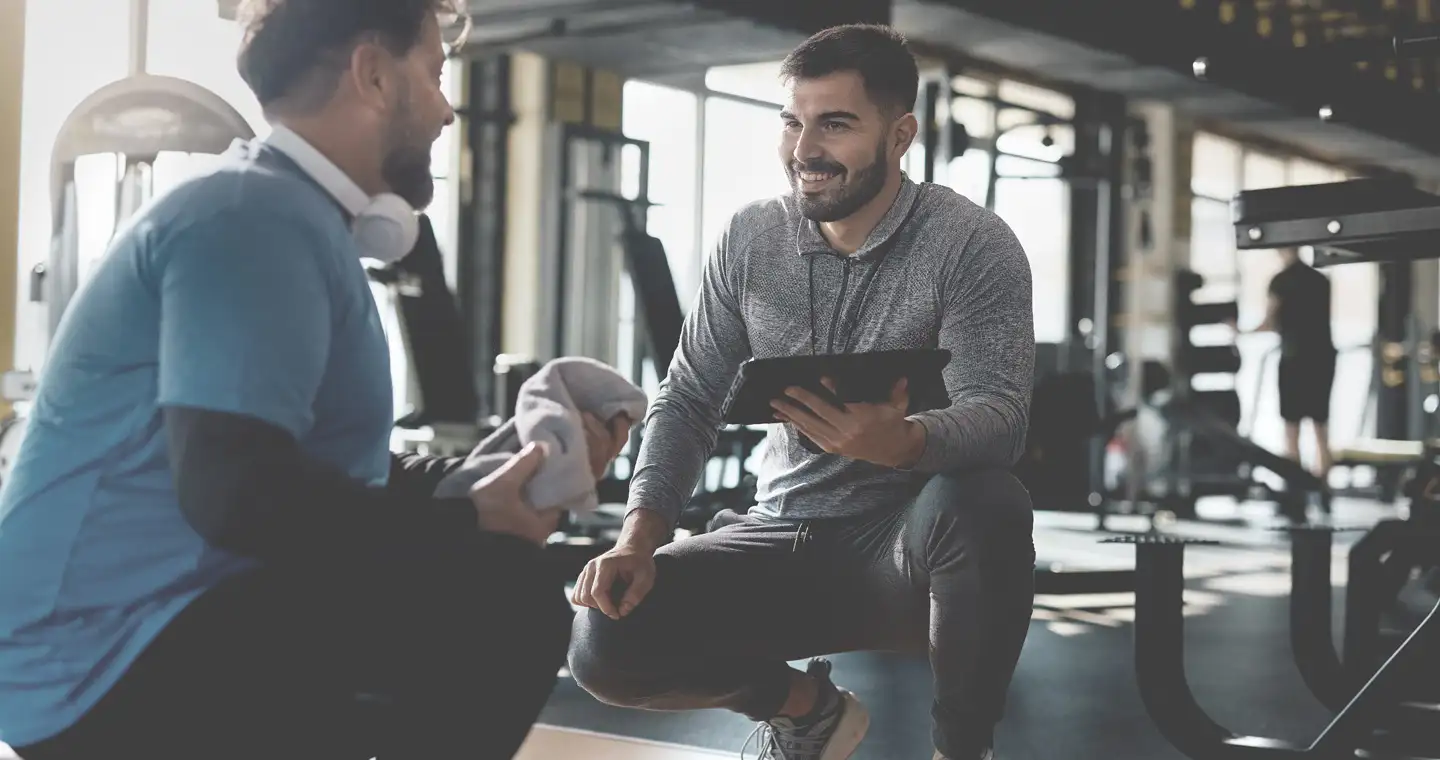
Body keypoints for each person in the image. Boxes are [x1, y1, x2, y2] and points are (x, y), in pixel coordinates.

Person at [0, 2, 629, 758]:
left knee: (476, 570)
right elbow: (237, 494)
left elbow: (312, 473)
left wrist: (482, 480)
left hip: (159, 621)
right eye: (433, 75)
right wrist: (465, 523)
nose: (446, 109)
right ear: (371, 75)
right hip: (93, 657)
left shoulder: (292, 218)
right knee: (501, 596)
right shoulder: (251, 219)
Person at [566, 24, 1037, 760]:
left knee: (987, 501)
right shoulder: (752, 239)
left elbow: (1002, 417)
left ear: (901, 133)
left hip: (904, 555)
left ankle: (962, 751)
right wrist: (640, 536)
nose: (804, 150)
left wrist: (906, 443)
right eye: (792, 121)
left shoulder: (971, 243)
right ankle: (807, 713)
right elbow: (689, 396)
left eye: (836, 124)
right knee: (604, 636)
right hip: (780, 533)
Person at [1246, 246, 1336, 477]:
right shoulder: (1320, 281)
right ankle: (1323, 481)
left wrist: (1242, 332)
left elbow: (1269, 322)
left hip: (1294, 358)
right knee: (1320, 424)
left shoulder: (1280, 282)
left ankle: (1296, 483)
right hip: (1322, 357)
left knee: (1291, 426)